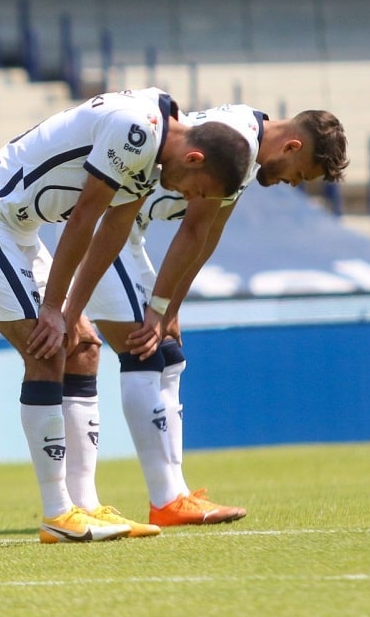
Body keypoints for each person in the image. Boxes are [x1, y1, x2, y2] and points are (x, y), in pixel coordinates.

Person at [0, 88, 252, 544]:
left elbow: (115, 228)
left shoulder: (158, 139)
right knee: (45, 351)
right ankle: (56, 513)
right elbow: (84, 218)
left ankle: (84, 506)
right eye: (196, 188)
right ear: (196, 157)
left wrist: (71, 311)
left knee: (81, 348)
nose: (186, 194)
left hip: (17, 227)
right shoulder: (138, 131)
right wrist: (51, 311)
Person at [81, 105, 347, 526]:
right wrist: (157, 309)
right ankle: (165, 500)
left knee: (168, 355)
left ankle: (176, 494)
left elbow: (207, 234)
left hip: (128, 232)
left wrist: (169, 309)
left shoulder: (244, 139)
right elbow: (193, 230)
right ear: (293, 146)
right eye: (299, 174)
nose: (289, 183)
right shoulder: (235, 140)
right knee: (144, 351)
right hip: (102, 227)